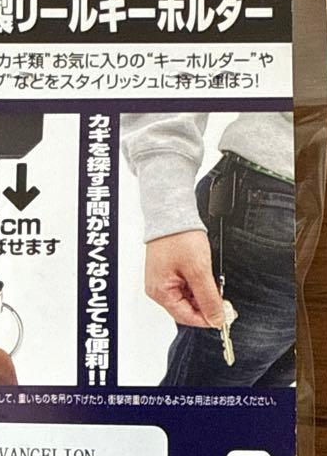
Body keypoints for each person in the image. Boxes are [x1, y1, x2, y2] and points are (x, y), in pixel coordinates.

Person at [121, 112, 296, 387]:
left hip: (275, 199)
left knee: (224, 404)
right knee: (220, 403)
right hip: (277, 202)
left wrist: (169, 215)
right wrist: (170, 219)